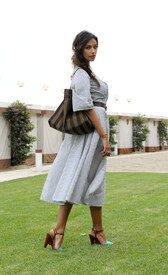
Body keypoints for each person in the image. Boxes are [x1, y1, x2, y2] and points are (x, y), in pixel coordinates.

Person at [40, 30, 112, 251]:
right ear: (78, 49)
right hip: (89, 133)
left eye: (95, 47)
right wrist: (104, 135)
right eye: (88, 47)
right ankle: (58, 230)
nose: (93, 51)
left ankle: (97, 230)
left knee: (94, 178)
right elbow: (87, 107)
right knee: (75, 176)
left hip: (97, 130)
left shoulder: (89, 73)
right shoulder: (80, 74)